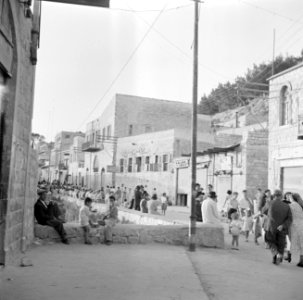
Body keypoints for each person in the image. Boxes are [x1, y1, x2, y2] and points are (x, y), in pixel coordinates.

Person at [264, 189, 292, 265]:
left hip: (271, 226)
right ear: (281, 196)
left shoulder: (269, 203)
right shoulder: (286, 206)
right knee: (281, 243)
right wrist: (283, 225)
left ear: (274, 195)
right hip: (281, 228)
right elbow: (290, 219)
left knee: (269, 241)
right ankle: (279, 255)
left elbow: (264, 211)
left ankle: (275, 254)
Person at [288, 193, 303, 267]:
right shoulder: (301, 205)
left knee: (295, 242)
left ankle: (300, 260)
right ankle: (301, 261)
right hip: (302, 224)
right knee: (302, 244)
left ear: (292, 198)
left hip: (295, 225)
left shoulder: (292, 205)